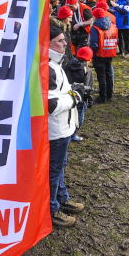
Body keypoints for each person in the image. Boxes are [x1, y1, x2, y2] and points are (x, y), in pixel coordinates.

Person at [47, 24, 82, 227]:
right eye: (59, 40)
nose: (65, 43)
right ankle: (53, 209)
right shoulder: (48, 67)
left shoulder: (55, 63)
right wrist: (74, 98)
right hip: (56, 129)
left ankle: (62, 198)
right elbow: (50, 105)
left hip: (64, 127)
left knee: (60, 167)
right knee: (54, 170)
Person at [89, 5, 117, 103]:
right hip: (110, 52)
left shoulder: (95, 28)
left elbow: (94, 44)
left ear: (95, 17)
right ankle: (109, 94)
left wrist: (91, 54)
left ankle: (102, 97)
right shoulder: (112, 26)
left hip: (99, 54)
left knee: (101, 76)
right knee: (108, 74)